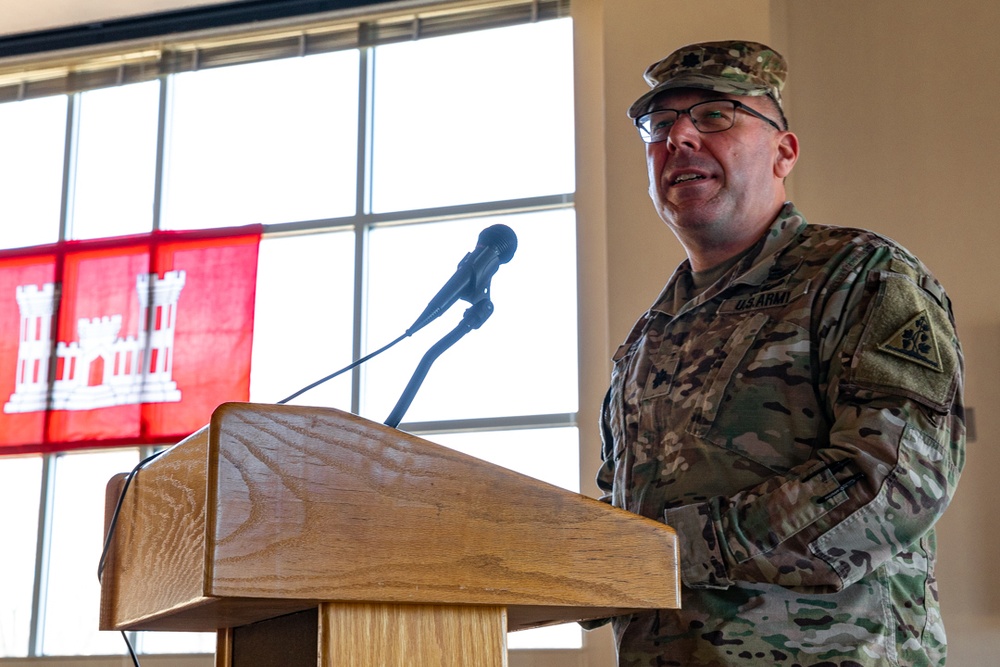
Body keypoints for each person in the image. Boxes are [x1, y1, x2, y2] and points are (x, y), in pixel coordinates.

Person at [591, 40, 966, 667]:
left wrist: (677, 550)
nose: (678, 136)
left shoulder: (862, 277)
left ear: (783, 152)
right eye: (659, 124)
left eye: (714, 115)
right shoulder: (649, 335)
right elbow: (625, 502)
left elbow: (896, 482)